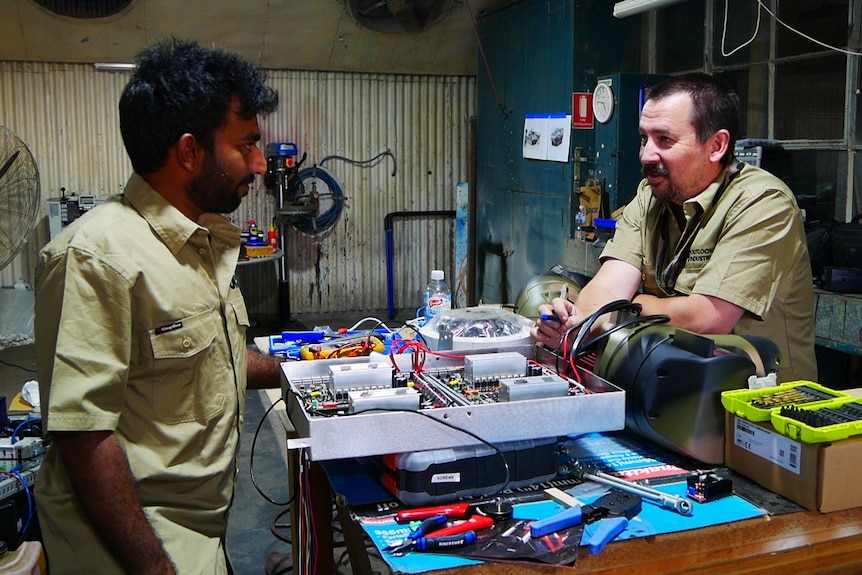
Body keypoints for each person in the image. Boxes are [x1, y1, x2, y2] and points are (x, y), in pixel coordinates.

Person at [34, 38, 283, 574]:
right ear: (190, 151)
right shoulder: (97, 257)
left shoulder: (201, 243)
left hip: (198, 530)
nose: (260, 164)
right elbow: (84, 436)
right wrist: (157, 570)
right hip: (138, 543)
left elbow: (214, 361)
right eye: (246, 145)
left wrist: (311, 369)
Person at [533, 73, 817, 383]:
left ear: (716, 145)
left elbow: (707, 318)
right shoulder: (650, 196)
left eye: (664, 139)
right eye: (644, 138)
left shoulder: (762, 202)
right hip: (676, 390)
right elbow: (609, 285)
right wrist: (573, 321)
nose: (646, 155)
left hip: (760, 404)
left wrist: (614, 312)